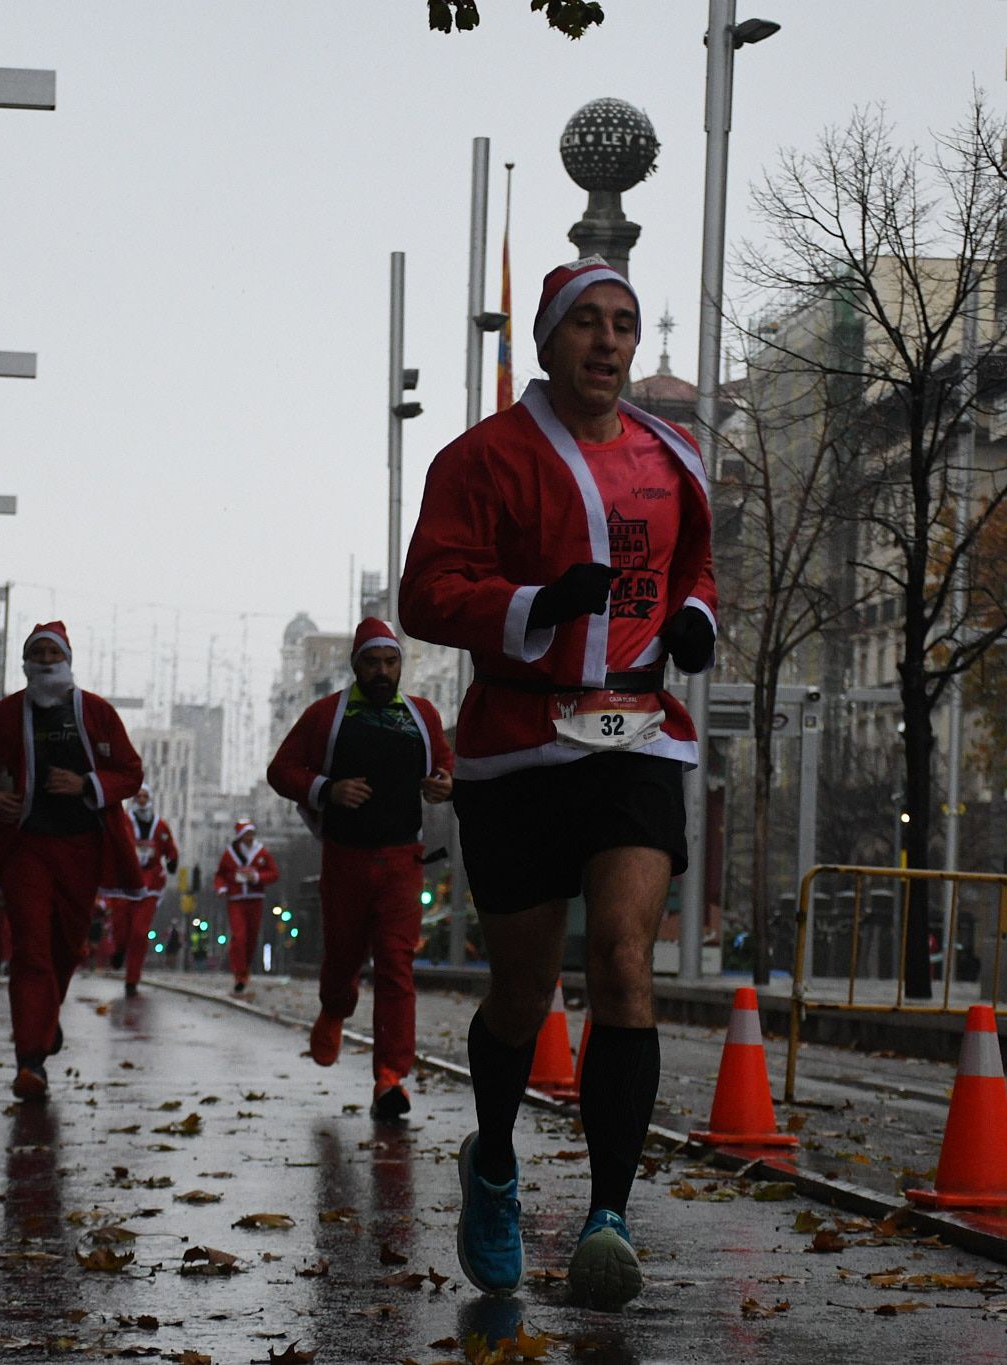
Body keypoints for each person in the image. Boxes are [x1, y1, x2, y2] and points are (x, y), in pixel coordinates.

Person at [398, 256, 717, 1311]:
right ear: (547, 339)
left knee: (624, 964)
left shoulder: (672, 456)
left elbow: (697, 571)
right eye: (587, 323)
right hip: (519, 746)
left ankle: (606, 1218)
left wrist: (693, 620)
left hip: (636, 734)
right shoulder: (480, 459)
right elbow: (426, 595)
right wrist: (535, 602)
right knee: (524, 993)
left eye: (622, 324)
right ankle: (491, 1158)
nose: (608, 342)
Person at [267, 615, 453, 1121]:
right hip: (344, 859)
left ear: (400, 666)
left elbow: (444, 766)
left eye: (390, 662)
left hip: (401, 861)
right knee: (343, 958)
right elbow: (281, 770)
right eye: (371, 662)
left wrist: (443, 783)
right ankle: (334, 1009)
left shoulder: (422, 716)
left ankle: (390, 1078)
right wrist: (329, 789)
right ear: (356, 666)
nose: (381, 671)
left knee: (396, 965)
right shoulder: (326, 716)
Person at [0, 621, 145, 1101]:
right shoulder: (5, 715)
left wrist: (86, 785)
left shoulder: (97, 713)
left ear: (67, 659)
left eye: (52, 653)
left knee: (67, 949)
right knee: (31, 949)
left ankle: (45, 1024)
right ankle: (30, 1061)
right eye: (37, 653)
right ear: (26, 663)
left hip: (83, 847)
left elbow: (131, 771)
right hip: (27, 847)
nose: (45, 660)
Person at [109, 783, 179, 997]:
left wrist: (173, 860)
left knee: (139, 932)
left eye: (144, 796)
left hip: (150, 883)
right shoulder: (123, 822)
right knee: (121, 928)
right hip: (125, 881)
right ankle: (120, 949)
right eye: (137, 796)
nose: (141, 800)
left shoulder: (160, 826)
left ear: (149, 799)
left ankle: (132, 979)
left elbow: (170, 848)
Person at [210, 819, 278, 994]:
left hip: (255, 899)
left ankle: (244, 968)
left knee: (251, 938)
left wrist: (257, 877)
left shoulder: (261, 852)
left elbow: (274, 873)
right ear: (240, 836)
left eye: (251, 834)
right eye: (246, 834)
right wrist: (222, 888)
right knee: (239, 936)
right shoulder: (229, 854)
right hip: (236, 900)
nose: (249, 838)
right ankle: (239, 975)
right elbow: (220, 875)